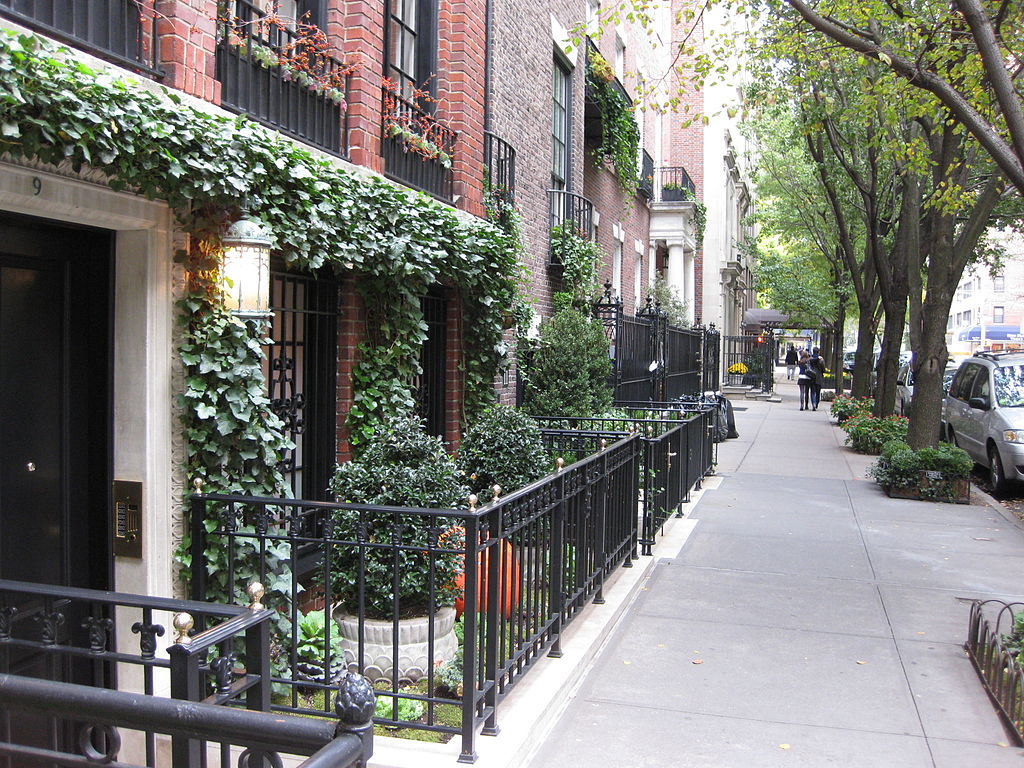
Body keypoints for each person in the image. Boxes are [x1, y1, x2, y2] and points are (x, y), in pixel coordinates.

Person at [808, 346, 827, 411]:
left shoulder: (810, 359)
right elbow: (823, 369)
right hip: (819, 378)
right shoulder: (821, 360)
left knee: (812, 392)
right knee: (818, 392)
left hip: (812, 377)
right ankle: (816, 404)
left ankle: (813, 403)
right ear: (818, 352)